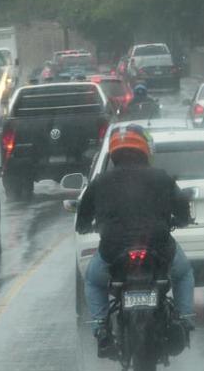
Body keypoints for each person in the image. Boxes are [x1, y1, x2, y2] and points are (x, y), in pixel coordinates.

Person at [75, 124, 195, 356]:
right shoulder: (161, 177)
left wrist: (85, 226)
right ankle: (185, 319)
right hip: (159, 247)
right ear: (143, 150)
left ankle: (100, 328)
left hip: (113, 250)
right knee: (183, 273)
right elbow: (181, 209)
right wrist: (182, 221)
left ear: (114, 153)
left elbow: (83, 217)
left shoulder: (100, 182)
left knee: (93, 281)